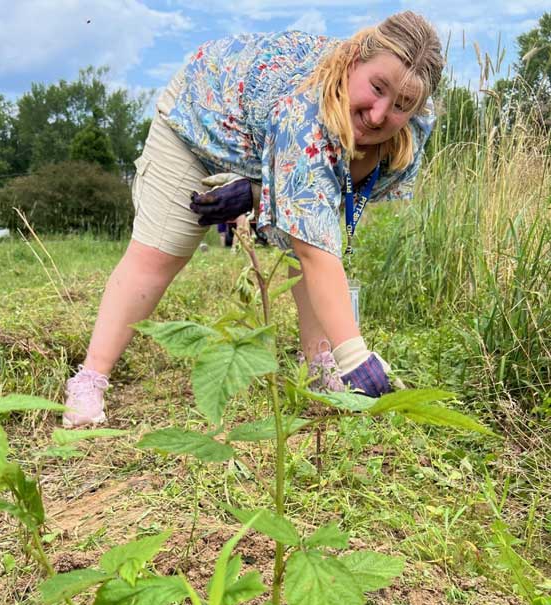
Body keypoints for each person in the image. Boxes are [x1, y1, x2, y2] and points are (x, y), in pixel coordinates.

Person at [63, 12, 443, 427]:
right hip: (201, 117)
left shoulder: (411, 125)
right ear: (353, 60)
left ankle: (318, 364)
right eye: (376, 88)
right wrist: (357, 358)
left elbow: (317, 227)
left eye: (401, 105)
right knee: (162, 252)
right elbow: (314, 247)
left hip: (268, 137)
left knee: (313, 241)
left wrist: (260, 192)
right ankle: (89, 380)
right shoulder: (306, 115)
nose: (377, 115)